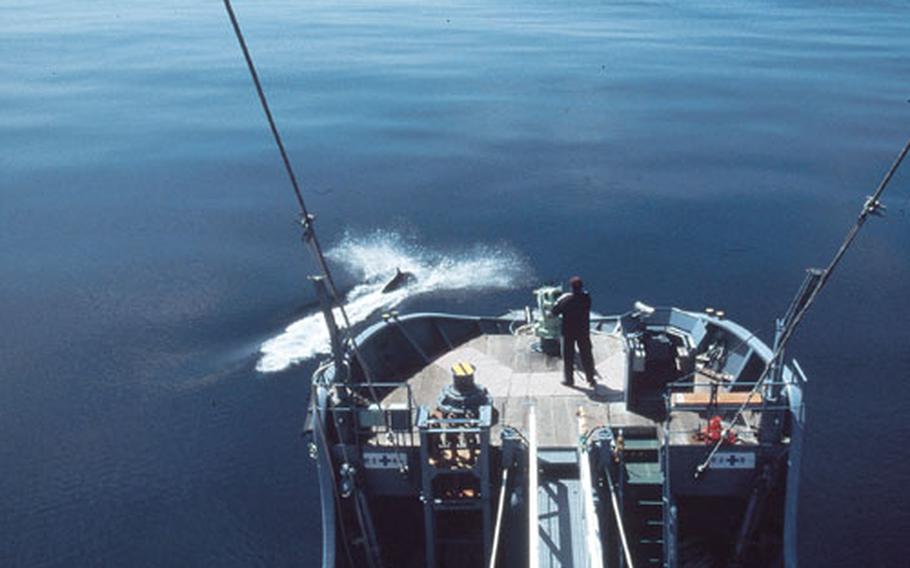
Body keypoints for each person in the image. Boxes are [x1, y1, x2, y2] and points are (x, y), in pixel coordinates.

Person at [551, 276, 596, 387]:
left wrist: (559, 300)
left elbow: (554, 312)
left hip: (568, 332)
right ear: (581, 287)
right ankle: (590, 379)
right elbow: (585, 299)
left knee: (568, 357)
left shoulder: (566, 300)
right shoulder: (586, 298)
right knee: (586, 355)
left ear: (571, 287)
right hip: (583, 331)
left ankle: (569, 381)